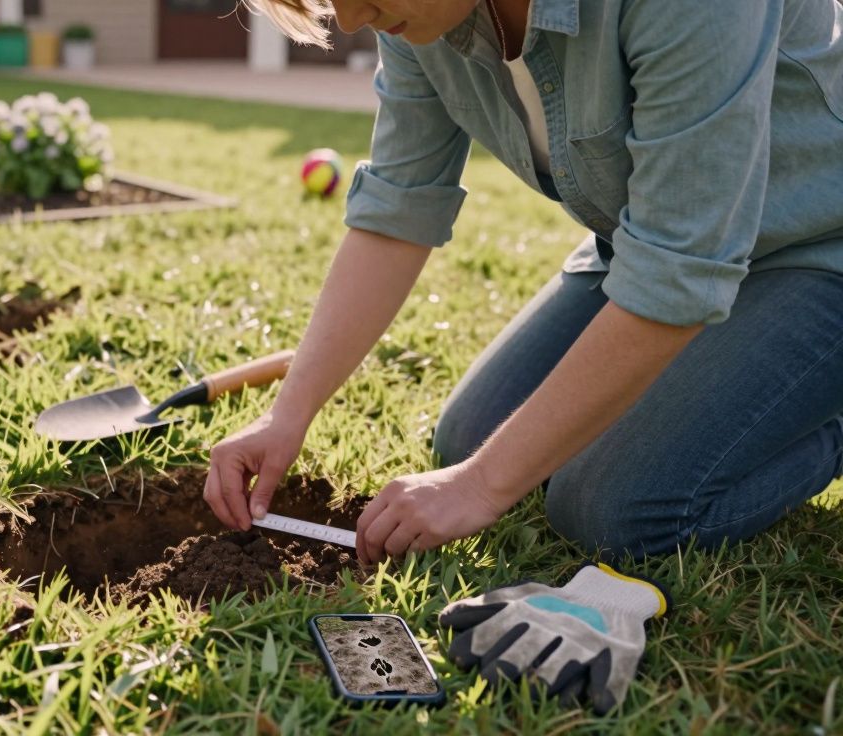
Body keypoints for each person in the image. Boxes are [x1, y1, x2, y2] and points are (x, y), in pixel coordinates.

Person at [205, 0, 843, 566]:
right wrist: (286, 415)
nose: (347, 19)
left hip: (817, 249)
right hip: (642, 247)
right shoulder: (414, 19)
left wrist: (481, 486)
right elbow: (399, 210)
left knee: (610, 511)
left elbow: (679, 269)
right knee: (469, 436)